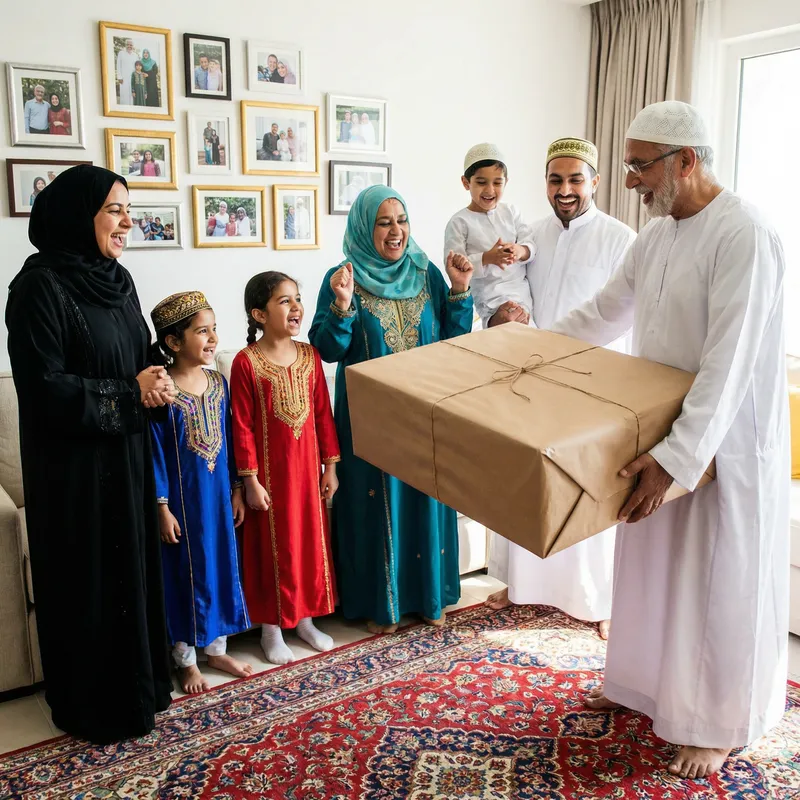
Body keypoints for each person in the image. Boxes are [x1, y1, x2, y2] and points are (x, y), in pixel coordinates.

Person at [549, 101, 789, 780]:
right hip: (655, 432)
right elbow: (604, 312)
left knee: (717, 584)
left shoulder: (746, 235)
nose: (629, 181)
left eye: (638, 165)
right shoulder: (654, 238)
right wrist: (530, 349)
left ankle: (720, 723)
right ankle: (637, 686)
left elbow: (729, 363)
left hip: (723, 446)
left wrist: (679, 461)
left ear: (686, 161)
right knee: (650, 570)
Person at [5, 165, 176, 743]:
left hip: (123, 457)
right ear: (79, 217)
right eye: (114, 210)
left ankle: (141, 690)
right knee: (90, 580)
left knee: (131, 571)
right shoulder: (37, 288)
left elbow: (136, 348)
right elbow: (44, 387)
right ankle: (92, 706)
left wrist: (161, 373)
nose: (128, 221)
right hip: (72, 470)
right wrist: (133, 392)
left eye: (127, 209)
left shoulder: (118, 279)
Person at [483, 138, 637, 641]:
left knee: (593, 487)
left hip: (595, 379)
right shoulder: (532, 234)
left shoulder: (621, 239)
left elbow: (627, 316)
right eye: (555, 179)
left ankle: (604, 600)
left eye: (575, 179)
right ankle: (524, 587)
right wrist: (500, 316)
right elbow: (506, 289)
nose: (565, 189)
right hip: (533, 376)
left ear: (595, 181)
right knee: (531, 481)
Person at [309, 186, 474, 632]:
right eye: (384, 222)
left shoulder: (426, 274)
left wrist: (460, 292)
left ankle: (428, 599)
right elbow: (326, 348)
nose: (396, 230)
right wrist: (341, 307)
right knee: (376, 502)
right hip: (369, 417)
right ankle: (380, 605)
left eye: (401, 220)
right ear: (365, 227)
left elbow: (454, 344)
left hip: (425, 410)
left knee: (423, 496)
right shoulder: (342, 277)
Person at [231, 272, 340, 664]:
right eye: (284, 301)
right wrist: (249, 481)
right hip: (269, 480)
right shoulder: (247, 363)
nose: (295, 308)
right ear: (259, 313)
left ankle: (305, 619)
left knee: (308, 544)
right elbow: (240, 425)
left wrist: (330, 466)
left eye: (298, 298)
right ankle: (271, 629)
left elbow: (323, 416)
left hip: (307, 475)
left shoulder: (311, 355)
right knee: (273, 549)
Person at [150, 291, 253, 694]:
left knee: (219, 568)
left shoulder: (217, 383)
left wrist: (236, 490)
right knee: (183, 576)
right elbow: (154, 454)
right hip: (181, 504)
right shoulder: (162, 390)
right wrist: (161, 506)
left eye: (214, 330)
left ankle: (216, 649)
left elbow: (226, 441)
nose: (212, 339)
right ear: (174, 342)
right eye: (202, 331)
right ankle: (186, 660)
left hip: (216, 499)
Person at [444, 143, 535, 328]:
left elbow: (530, 244)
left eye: (497, 182)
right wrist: (487, 258)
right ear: (466, 182)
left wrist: (519, 250)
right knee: (501, 335)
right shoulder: (459, 222)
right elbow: (454, 265)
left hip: (521, 294)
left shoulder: (511, 212)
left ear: (506, 182)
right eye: (481, 182)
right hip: (489, 300)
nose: (490, 190)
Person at [116, 39, 138, 105]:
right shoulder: (121, 53)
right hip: (124, 78)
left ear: (133, 46)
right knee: (124, 94)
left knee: (132, 94)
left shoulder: (135, 55)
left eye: (131, 45)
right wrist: (119, 77)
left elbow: (137, 67)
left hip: (132, 78)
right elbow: (118, 65)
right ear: (126, 45)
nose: (129, 46)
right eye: (128, 44)